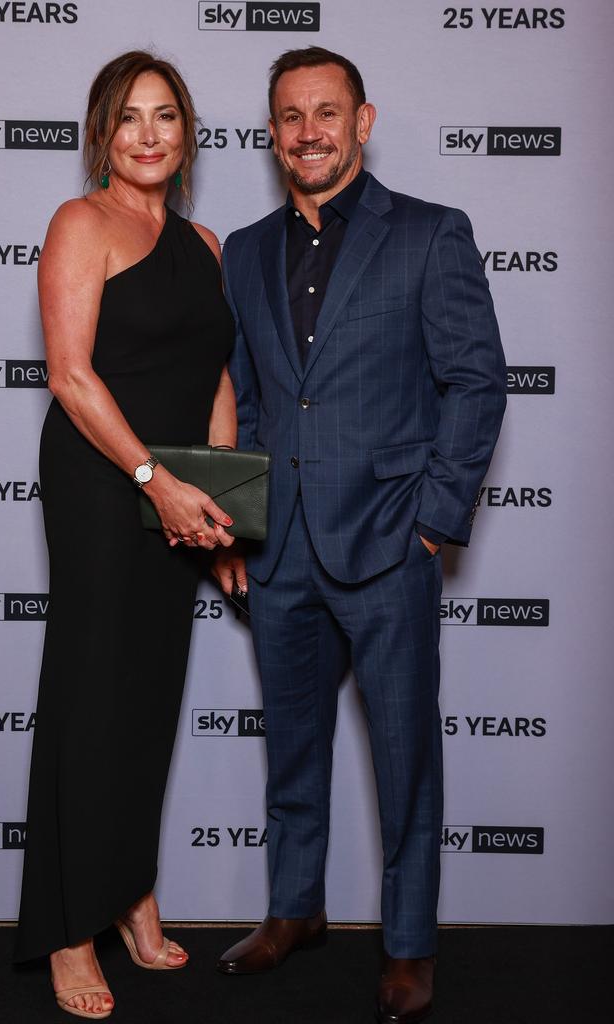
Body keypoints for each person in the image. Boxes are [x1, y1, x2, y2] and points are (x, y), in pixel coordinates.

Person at [213, 46, 506, 1024]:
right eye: (291, 115)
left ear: (363, 122)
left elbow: (477, 381)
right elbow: (252, 400)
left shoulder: (429, 234)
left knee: (404, 754)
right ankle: (294, 908)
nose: (310, 131)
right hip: (282, 549)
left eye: (327, 112)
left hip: (388, 543)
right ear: (269, 132)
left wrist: (432, 522)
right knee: (292, 749)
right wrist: (245, 523)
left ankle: (410, 943)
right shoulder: (246, 251)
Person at [14, 51, 237, 1019]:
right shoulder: (80, 224)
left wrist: (225, 513)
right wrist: (157, 477)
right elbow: (70, 375)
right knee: (91, 697)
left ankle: (132, 889)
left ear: (187, 136)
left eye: (167, 117)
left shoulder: (208, 243)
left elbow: (217, 378)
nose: (149, 134)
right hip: (105, 485)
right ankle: (71, 928)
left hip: (179, 496)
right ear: (103, 132)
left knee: (150, 697)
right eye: (130, 118)